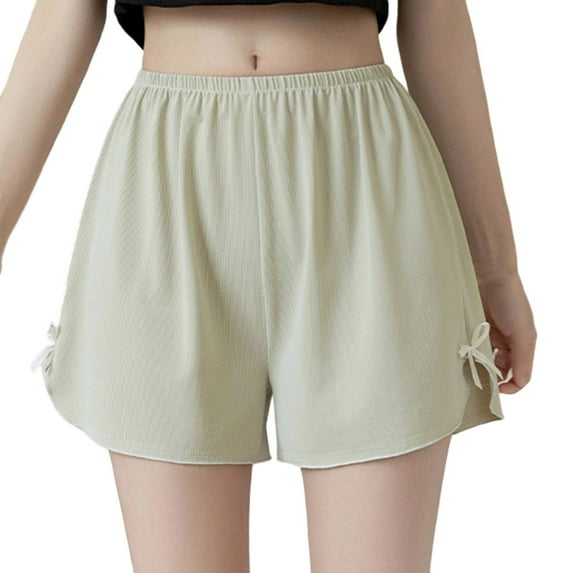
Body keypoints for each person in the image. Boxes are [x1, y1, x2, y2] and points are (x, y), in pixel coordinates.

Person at [0, 1, 536, 571]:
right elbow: (65, 12)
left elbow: (437, 16)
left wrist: (496, 267)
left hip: (362, 174)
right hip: (170, 175)